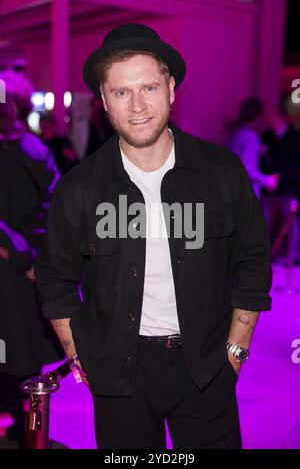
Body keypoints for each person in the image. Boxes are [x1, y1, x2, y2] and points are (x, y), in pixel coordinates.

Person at [35, 23, 272, 449]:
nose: (138, 105)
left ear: (171, 89)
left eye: (149, 87)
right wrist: (77, 354)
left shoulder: (221, 172)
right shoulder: (78, 188)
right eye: (122, 92)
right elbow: (54, 279)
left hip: (206, 363)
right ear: (105, 100)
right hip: (118, 371)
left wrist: (235, 351)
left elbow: (253, 263)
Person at [0, 91, 63, 447]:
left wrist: (17, 253)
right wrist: (32, 254)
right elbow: (54, 206)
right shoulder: (36, 149)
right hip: (28, 274)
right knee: (24, 351)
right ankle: (26, 430)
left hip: (12, 267)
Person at [261, 104, 300, 262]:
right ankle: (266, 255)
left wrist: (284, 176)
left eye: (272, 117)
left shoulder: (295, 137)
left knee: (289, 223)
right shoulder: (267, 136)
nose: (269, 120)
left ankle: (292, 256)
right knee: (264, 222)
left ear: (280, 118)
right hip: (268, 188)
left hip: (286, 188)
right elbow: (263, 159)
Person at [227, 96, 279, 198]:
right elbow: (247, 168)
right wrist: (267, 180)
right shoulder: (250, 136)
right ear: (258, 116)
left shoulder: (236, 133)